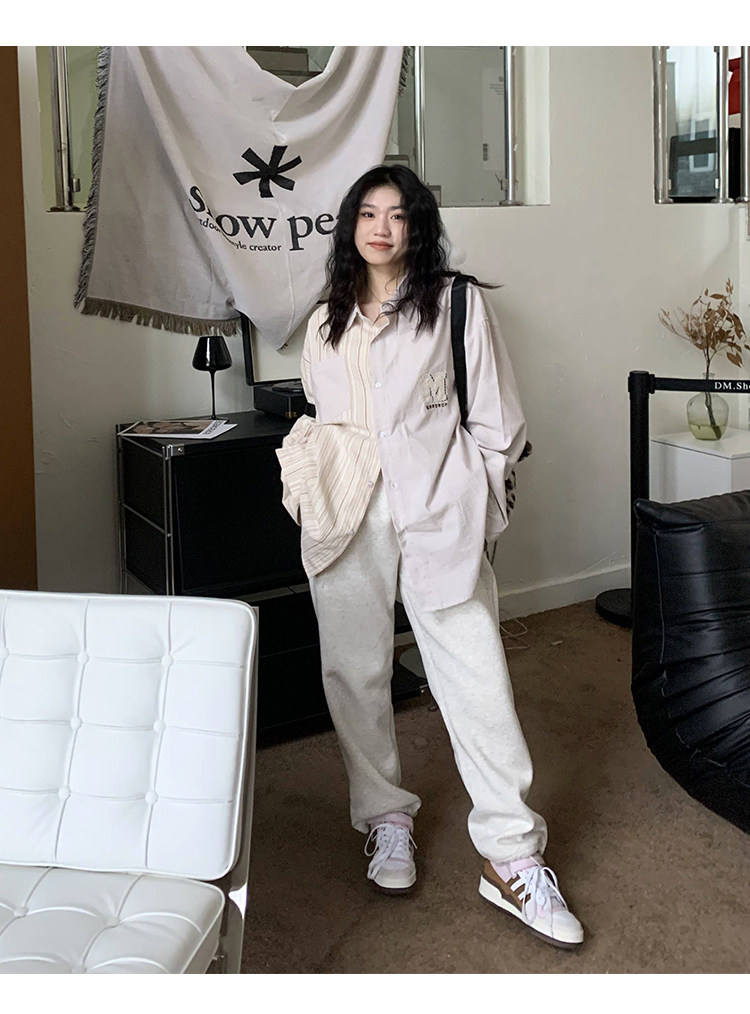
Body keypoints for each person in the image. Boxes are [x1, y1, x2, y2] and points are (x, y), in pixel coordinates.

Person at [276, 163, 583, 950]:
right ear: (350, 226)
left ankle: (512, 854)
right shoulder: (326, 317)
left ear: (417, 225)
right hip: (344, 510)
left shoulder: (456, 303)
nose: (381, 227)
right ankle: (385, 816)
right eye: (367, 213)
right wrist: (307, 485)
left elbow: (498, 421)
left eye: (398, 214)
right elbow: (319, 411)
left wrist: (474, 495)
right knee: (354, 669)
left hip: (439, 506)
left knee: (473, 675)